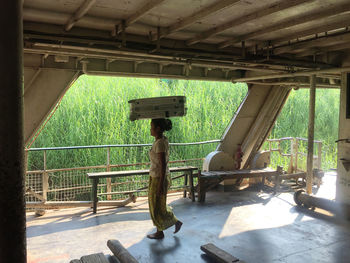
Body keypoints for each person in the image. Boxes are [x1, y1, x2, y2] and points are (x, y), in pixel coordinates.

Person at [147, 118, 182, 239]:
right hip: (156, 176)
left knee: (156, 206)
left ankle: (160, 232)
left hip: (158, 177)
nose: (150, 129)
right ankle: (169, 225)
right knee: (157, 205)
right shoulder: (161, 140)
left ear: (158, 129)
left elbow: (163, 165)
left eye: (152, 127)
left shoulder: (160, 143)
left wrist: (161, 184)